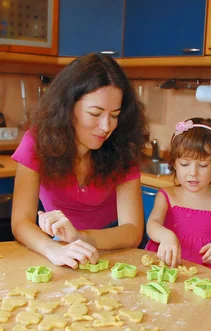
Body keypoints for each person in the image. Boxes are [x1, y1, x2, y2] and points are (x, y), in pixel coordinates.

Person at [11, 53, 149, 268]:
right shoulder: (37, 142)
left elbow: (132, 230)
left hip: (113, 247)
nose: (106, 127)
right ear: (68, 108)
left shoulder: (124, 145)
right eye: (95, 113)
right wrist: (54, 249)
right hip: (59, 246)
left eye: (114, 115)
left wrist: (80, 237)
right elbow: (21, 221)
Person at [145, 117, 211, 284]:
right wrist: (166, 236)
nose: (193, 173)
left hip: (209, 280)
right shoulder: (166, 196)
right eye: (185, 164)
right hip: (169, 274)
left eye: (203, 165)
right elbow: (152, 224)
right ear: (174, 163)